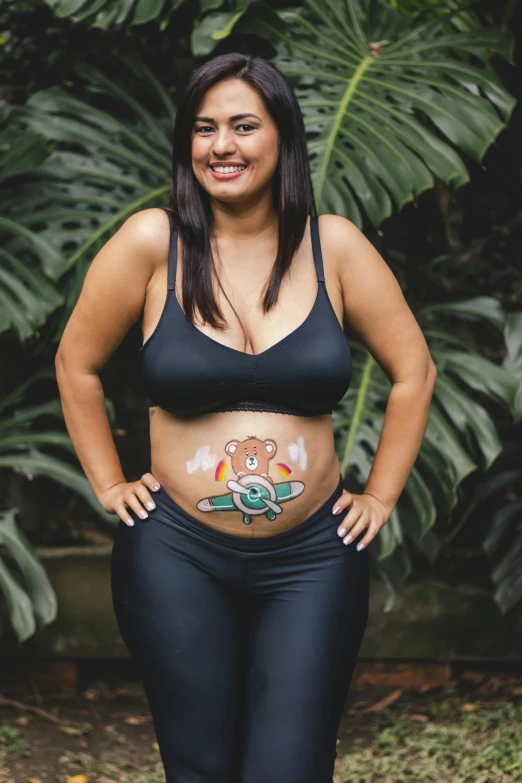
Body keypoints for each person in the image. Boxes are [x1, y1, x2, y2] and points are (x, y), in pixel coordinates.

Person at [55, 52, 437, 783]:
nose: (220, 145)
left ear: (283, 138)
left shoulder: (336, 247)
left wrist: (382, 494)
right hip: (176, 556)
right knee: (200, 766)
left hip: (314, 560)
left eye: (241, 125)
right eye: (203, 129)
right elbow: (76, 364)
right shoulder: (149, 244)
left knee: (290, 767)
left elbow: (414, 371)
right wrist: (108, 483)